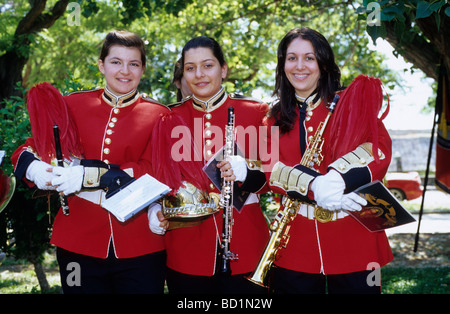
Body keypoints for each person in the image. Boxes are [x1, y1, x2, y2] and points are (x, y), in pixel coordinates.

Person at [11, 30, 169, 294]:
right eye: (116, 62)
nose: (124, 71)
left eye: (134, 64)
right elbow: (31, 148)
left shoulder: (160, 115)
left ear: (142, 69)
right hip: (77, 243)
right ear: (101, 65)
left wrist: (91, 175)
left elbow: (157, 169)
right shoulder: (73, 104)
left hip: (140, 242)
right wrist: (34, 166)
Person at [262, 27, 393, 294]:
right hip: (295, 239)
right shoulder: (272, 117)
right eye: (291, 58)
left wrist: (338, 178)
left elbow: (379, 149)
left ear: (323, 63)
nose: (300, 66)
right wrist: (314, 186)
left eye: (309, 58)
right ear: (282, 64)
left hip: (355, 234)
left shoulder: (350, 103)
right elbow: (269, 169)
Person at [151, 36, 270, 294]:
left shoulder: (256, 111)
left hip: (246, 243)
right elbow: (158, 176)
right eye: (190, 68)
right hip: (186, 249)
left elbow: (270, 179)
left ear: (223, 69)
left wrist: (247, 173)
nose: (199, 74)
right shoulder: (169, 117)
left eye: (208, 65)